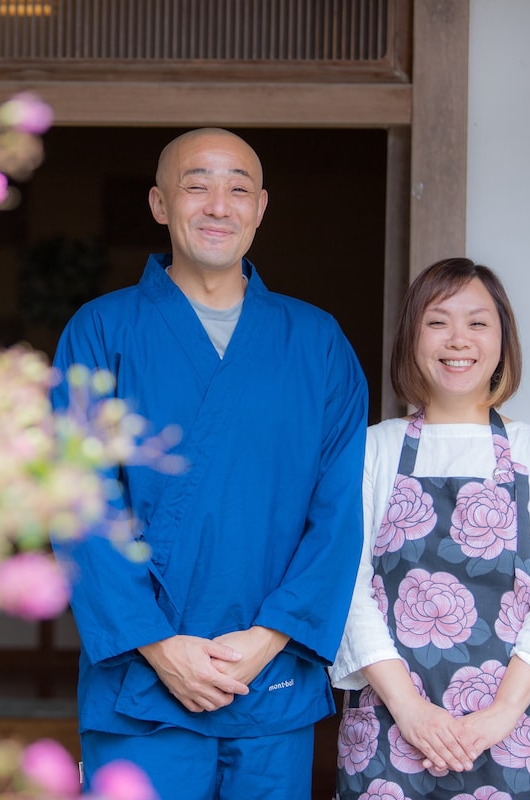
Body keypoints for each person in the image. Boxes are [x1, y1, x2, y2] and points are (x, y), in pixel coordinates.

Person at [50, 127, 368, 799]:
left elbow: (338, 514)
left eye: (238, 188)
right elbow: (78, 501)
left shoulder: (317, 342)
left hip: (270, 676)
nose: (218, 205)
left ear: (260, 207)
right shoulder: (101, 331)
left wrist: (269, 636)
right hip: (140, 679)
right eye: (197, 185)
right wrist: (161, 648)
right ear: (161, 204)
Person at [330, 257, 530, 799]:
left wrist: (498, 717)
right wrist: (410, 711)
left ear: (502, 341)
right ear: (412, 337)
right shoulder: (373, 450)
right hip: (388, 726)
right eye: (437, 320)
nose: (458, 339)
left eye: (477, 322)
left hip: (515, 734)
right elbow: (345, 589)